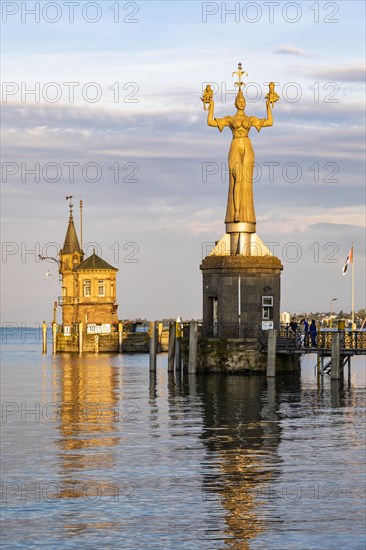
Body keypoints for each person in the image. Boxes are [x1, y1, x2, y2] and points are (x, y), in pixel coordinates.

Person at [206, 89, 274, 225]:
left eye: (243, 101)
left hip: (247, 146)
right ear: (235, 103)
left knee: (246, 181)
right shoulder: (230, 119)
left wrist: (268, 105)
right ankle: (236, 212)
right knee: (238, 177)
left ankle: (246, 212)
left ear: (245, 103)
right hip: (236, 144)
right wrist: (211, 105)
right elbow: (211, 122)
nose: (241, 102)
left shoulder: (250, 119)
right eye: (239, 101)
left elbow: (269, 122)